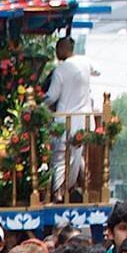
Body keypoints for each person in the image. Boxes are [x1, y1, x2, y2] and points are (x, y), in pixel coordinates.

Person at [43, 36, 99, 200]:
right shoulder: (85, 62)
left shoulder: (60, 70)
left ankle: (59, 192)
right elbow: (98, 70)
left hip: (65, 119)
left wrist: (38, 103)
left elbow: (52, 96)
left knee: (60, 157)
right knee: (78, 155)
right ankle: (80, 187)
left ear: (63, 49)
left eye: (58, 49)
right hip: (84, 120)